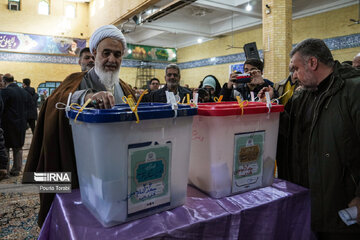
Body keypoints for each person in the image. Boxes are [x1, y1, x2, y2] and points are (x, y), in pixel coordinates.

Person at [23, 24, 135, 227]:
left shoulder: (126, 88)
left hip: (114, 165)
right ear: (95, 53)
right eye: (106, 53)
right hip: (76, 163)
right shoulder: (76, 80)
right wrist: (88, 97)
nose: (112, 60)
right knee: (71, 219)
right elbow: (55, 102)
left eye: (117, 55)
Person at [274, 38, 360, 239]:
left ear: (312, 63)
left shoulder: (353, 91)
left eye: (295, 69)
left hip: (342, 203)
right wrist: (271, 109)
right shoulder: (300, 95)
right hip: (308, 202)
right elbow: (289, 133)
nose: (293, 77)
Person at [0, 74, 29, 177]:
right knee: (18, 148)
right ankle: (17, 169)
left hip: (8, 124)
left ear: (4, 81)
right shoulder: (23, 91)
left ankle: (5, 171)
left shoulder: (5, 92)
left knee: (6, 147)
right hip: (21, 124)